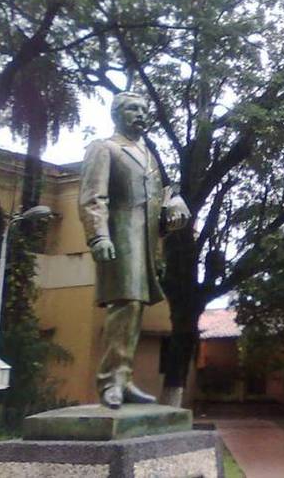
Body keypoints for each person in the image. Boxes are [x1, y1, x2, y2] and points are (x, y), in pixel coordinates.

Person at [79, 91, 190, 409]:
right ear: (117, 114)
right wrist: (98, 236)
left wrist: (172, 209)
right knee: (124, 303)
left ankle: (124, 379)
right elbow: (92, 197)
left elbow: (156, 205)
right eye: (132, 109)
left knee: (136, 307)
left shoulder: (149, 156)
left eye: (144, 109)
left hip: (146, 242)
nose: (141, 114)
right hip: (120, 236)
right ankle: (110, 381)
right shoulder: (105, 148)